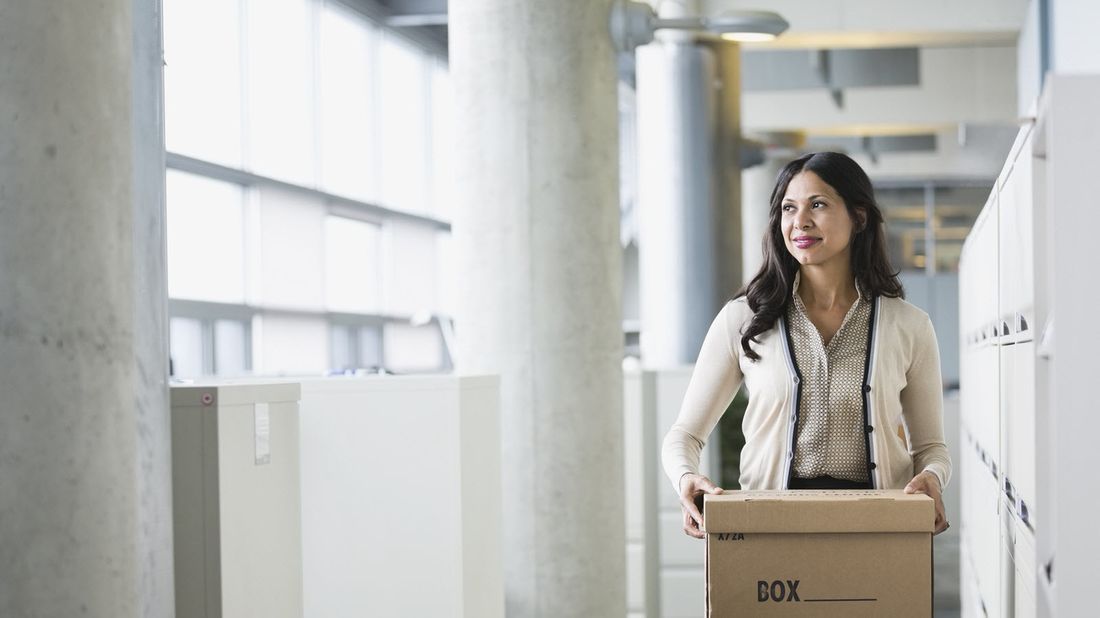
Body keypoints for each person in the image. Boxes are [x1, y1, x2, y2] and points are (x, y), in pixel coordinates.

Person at [662, 151, 952, 539]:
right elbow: (685, 435)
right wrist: (686, 476)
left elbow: (932, 447)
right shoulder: (743, 319)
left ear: (859, 216)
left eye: (818, 204)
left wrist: (932, 477)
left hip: (878, 531)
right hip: (771, 530)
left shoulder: (909, 326)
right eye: (788, 208)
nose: (800, 221)